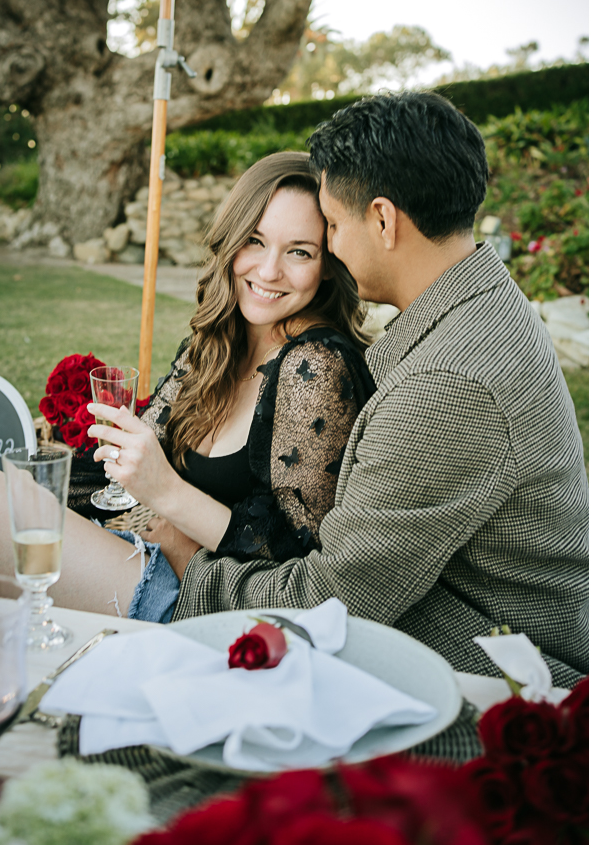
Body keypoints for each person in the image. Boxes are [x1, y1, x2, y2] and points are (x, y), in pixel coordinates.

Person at [147, 90, 587, 687]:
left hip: (490, 677)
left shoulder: (448, 383)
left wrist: (179, 555)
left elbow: (326, 604)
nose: (326, 245)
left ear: (382, 219)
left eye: (329, 223)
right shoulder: (484, 307)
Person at [0, 153, 376, 624]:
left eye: (299, 252)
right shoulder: (217, 345)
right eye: (254, 241)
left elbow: (302, 557)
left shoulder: (315, 366)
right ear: (231, 242)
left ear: (327, 264)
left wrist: (166, 493)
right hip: (139, 555)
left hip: (194, 600)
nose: (269, 271)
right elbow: (113, 475)